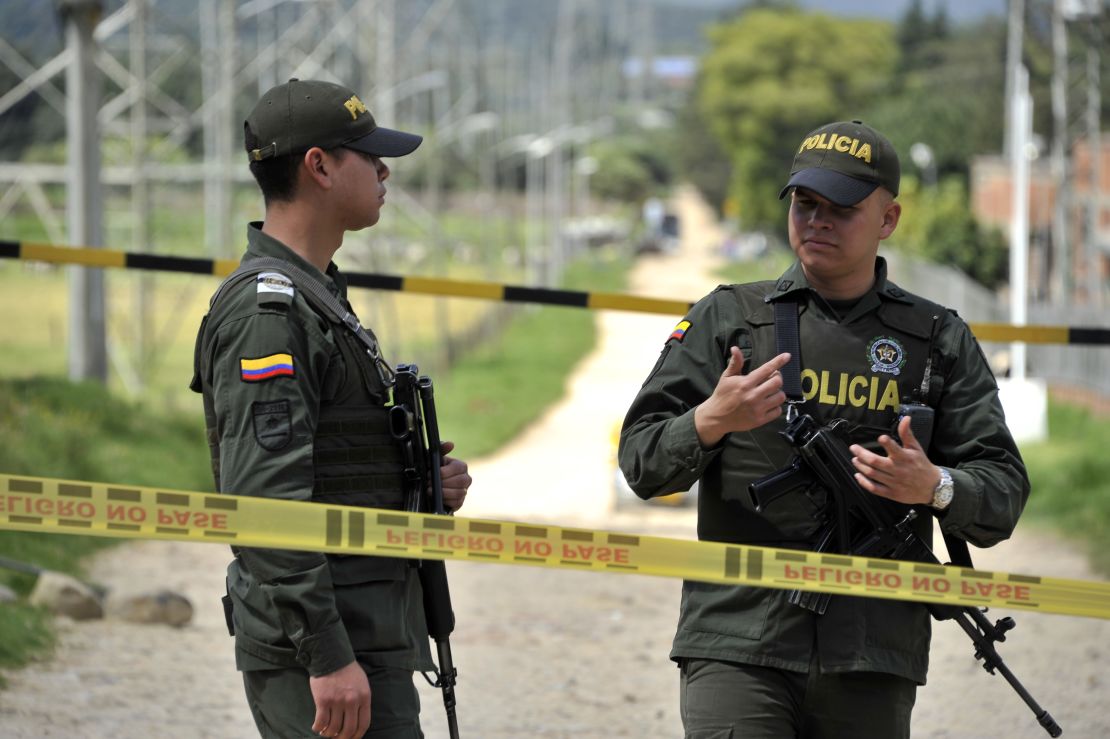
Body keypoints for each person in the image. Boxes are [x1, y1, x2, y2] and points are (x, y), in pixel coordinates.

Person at [618, 120, 1029, 738]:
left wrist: (935, 486)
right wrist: (710, 421)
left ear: (888, 219)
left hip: (871, 653)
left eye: (841, 209)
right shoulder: (730, 319)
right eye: (805, 204)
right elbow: (640, 462)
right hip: (737, 640)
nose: (817, 221)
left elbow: (1001, 490)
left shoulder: (937, 339)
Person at [190, 78, 472, 739]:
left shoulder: (318, 298)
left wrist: (416, 483)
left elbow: (329, 465)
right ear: (317, 165)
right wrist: (327, 654)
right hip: (324, 643)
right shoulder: (270, 314)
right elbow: (266, 499)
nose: (383, 170)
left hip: (364, 627)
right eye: (366, 154)